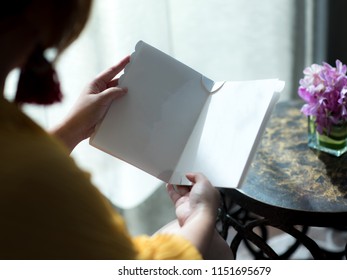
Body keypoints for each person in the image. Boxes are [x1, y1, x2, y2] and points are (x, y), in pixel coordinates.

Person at [0, 0, 233, 259]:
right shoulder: (35, 172)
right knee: (213, 249)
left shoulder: (18, 147)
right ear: (39, 16)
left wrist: (72, 129)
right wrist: (203, 213)